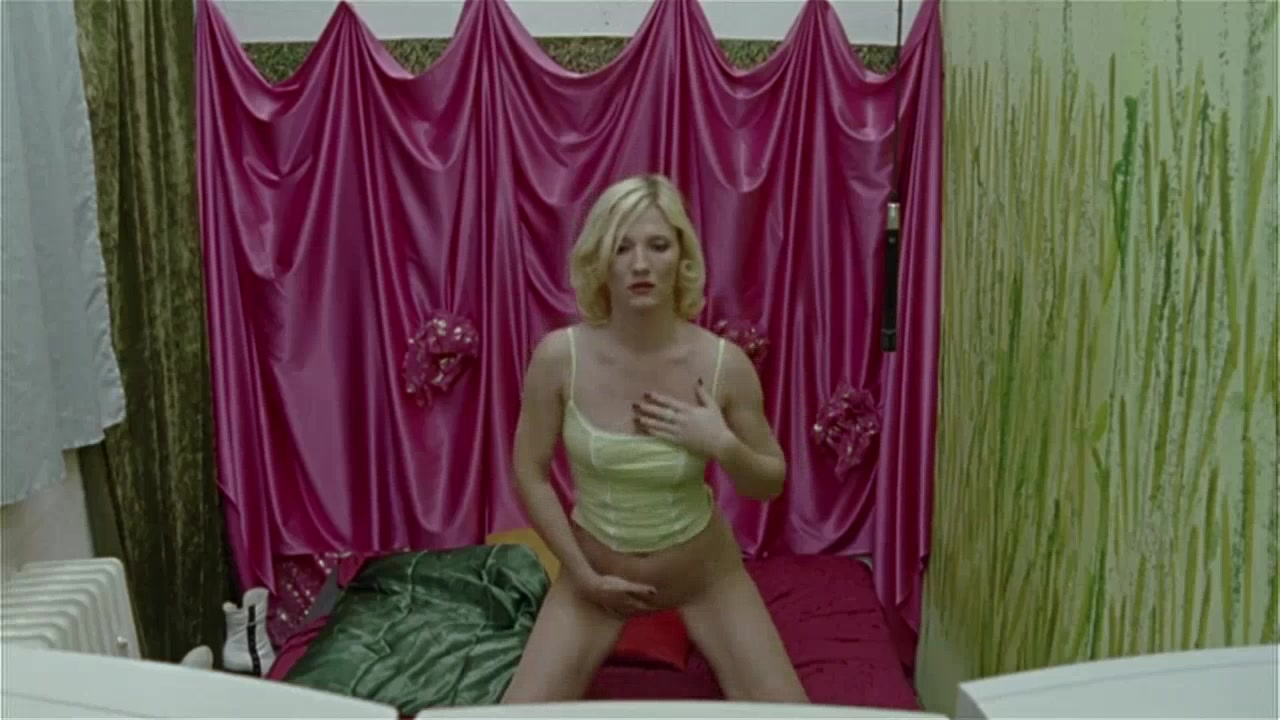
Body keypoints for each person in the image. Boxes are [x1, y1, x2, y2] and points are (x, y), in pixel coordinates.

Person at [501, 174, 808, 704]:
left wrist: (721, 444)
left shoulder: (724, 364)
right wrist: (583, 575)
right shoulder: (558, 358)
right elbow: (529, 472)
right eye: (622, 248)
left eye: (658, 246)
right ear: (600, 262)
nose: (640, 264)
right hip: (594, 576)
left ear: (682, 258)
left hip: (703, 573)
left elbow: (769, 482)